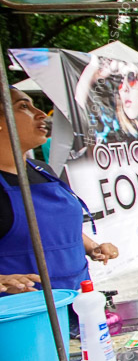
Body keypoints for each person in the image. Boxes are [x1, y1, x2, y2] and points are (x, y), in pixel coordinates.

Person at [0, 88, 118, 295]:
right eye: (24, 107)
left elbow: (55, 227)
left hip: (79, 299)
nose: (41, 114)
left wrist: (92, 247)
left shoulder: (42, 170)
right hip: (26, 315)